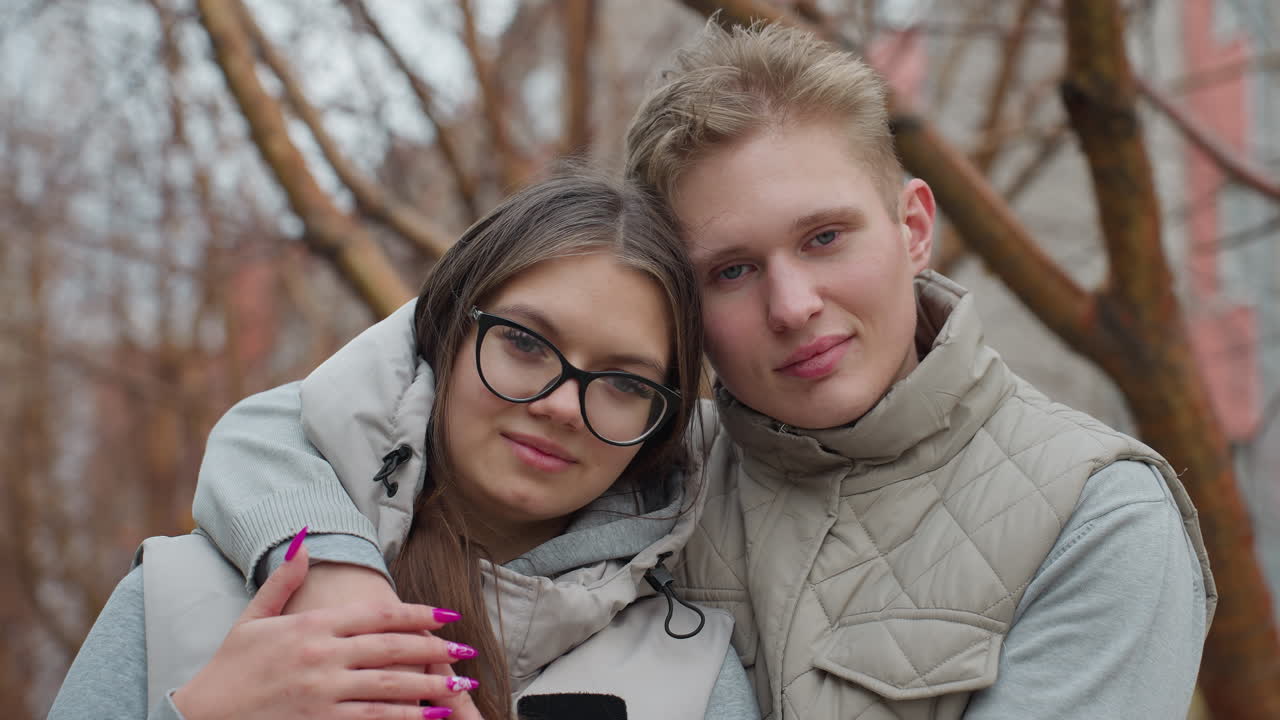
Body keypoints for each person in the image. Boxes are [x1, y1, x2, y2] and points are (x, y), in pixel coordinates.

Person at [182, 21, 1216, 720]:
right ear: (677, 308)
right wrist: (335, 576)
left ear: (911, 227)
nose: (790, 305)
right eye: (730, 268)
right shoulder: (640, 452)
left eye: (823, 238)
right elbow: (313, 417)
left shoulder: (1094, 515)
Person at [48, 174, 760, 720]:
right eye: (522, 342)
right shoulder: (175, 597)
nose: (561, 406)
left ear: (660, 422)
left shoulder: (692, 679)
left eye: (623, 382)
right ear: (445, 337)